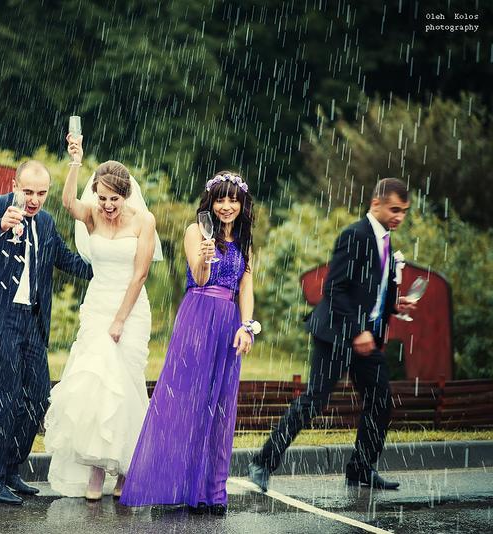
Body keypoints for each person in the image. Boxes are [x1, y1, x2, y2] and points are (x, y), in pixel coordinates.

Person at [248, 178, 414, 492]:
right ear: (376, 203)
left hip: (367, 339)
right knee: (314, 401)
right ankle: (262, 463)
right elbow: (335, 289)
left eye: (404, 211)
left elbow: (372, 289)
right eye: (395, 209)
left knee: (380, 401)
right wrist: (357, 331)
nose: (400, 216)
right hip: (336, 335)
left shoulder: (385, 240)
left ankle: (361, 469)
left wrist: (395, 303)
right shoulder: (355, 235)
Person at [119, 171, 257, 515]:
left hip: (228, 322)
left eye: (233, 200)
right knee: (187, 400)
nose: (226, 206)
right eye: (220, 199)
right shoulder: (196, 231)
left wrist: (247, 327)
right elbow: (199, 278)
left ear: (242, 204)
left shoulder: (245, 240)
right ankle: (178, 485)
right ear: (211, 202)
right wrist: (205, 257)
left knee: (221, 406)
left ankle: (213, 491)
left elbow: (246, 287)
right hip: (197, 316)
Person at [0, 160, 93, 505]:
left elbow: (66, 259)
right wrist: (0, 225)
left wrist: (109, 269)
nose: (34, 199)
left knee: (38, 397)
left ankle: (10, 469)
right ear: (15, 185)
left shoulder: (45, 223)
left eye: (41, 193)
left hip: (31, 321)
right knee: (5, 398)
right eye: (28, 191)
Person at [43, 134, 162, 500]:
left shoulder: (144, 221)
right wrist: (75, 162)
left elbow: (140, 274)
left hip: (130, 309)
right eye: (103, 198)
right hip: (97, 306)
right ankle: (97, 468)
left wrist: (121, 320)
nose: (108, 206)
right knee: (94, 384)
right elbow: (67, 202)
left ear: (126, 195)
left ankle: (126, 468)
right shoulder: (92, 213)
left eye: (114, 199)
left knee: (125, 386)